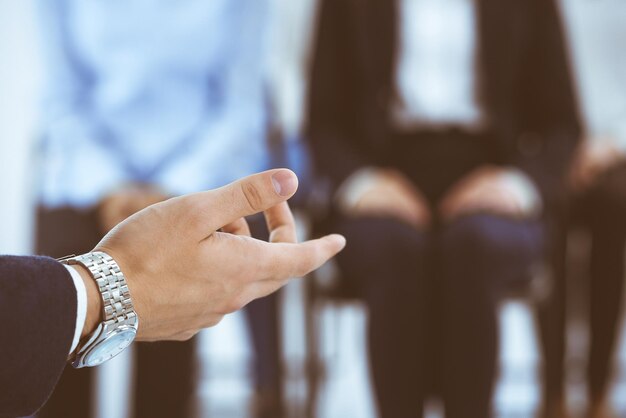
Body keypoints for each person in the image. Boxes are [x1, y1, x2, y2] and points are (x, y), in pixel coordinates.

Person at [306, 0, 580, 416]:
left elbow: (563, 124)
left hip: (492, 171)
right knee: (395, 247)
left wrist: (516, 184)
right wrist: (362, 182)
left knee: (472, 243)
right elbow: (322, 120)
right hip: (381, 173)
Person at [34, 0, 286, 416]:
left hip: (199, 181)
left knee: (170, 326)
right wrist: (111, 185)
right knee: (57, 335)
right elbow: (60, 97)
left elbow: (241, 106)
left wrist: (173, 194)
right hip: (87, 178)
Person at [0, 169, 346, 418]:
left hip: (197, 175)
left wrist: (174, 191)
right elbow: (63, 107)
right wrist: (112, 288)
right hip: (94, 182)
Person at [552, 2, 626, 416]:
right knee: (548, 218)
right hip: (548, 148)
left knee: (615, 209)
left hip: (612, 146)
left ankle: (599, 388)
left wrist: (611, 140)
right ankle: (553, 392)